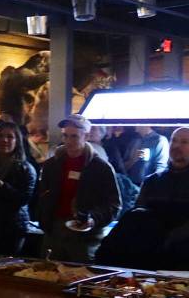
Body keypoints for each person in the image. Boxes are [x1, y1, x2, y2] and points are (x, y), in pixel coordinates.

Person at [98, 127, 189, 270]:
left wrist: (170, 238)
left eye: (184, 142)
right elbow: (138, 217)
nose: (177, 146)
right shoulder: (153, 181)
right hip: (151, 259)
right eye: (174, 141)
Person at [36, 114, 119, 263]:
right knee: (48, 276)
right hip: (55, 230)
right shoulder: (51, 165)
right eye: (65, 136)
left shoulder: (101, 168)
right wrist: (44, 220)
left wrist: (93, 218)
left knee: (81, 276)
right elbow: (42, 195)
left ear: (86, 136)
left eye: (74, 136)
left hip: (84, 236)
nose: (68, 141)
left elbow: (114, 205)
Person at [0, 121, 37, 255]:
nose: (4, 140)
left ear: (17, 141)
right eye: (1, 136)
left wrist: (3, 187)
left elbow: (24, 199)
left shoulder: (25, 168)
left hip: (12, 226)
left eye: (10, 137)